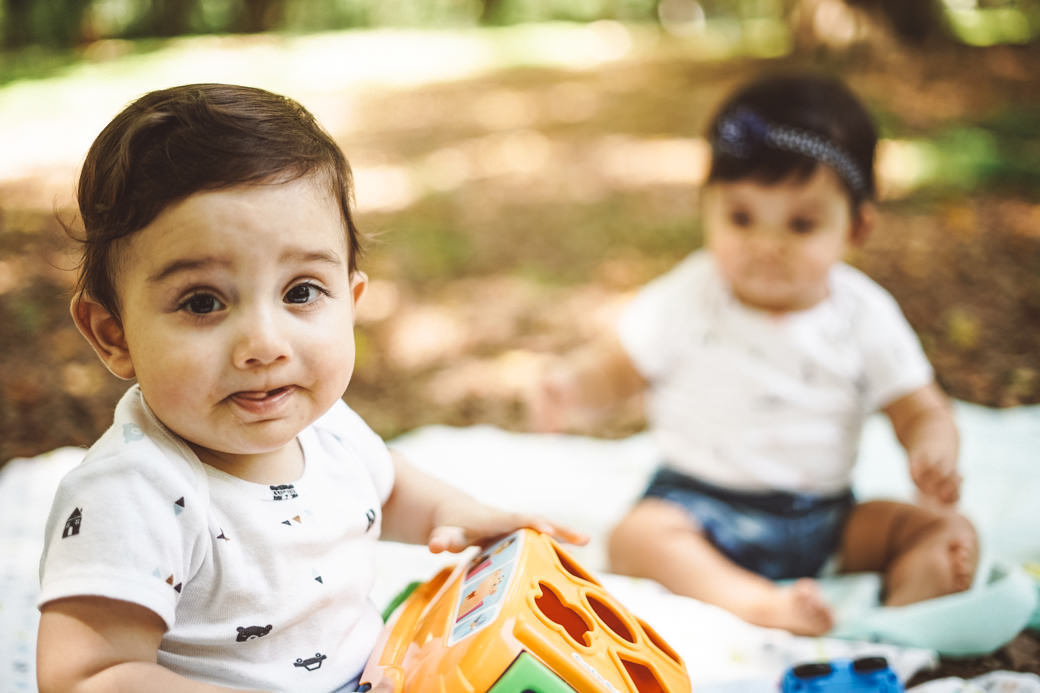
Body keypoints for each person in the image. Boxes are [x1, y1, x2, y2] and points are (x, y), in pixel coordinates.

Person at [37, 83, 585, 693]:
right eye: (202, 302)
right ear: (114, 335)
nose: (264, 344)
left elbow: (387, 483)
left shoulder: (325, 429)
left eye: (301, 292)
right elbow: (86, 675)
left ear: (349, 304)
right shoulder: (135, 492)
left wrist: (453, 511)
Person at [530, 72, 977, 636]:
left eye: (801, 224)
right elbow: (618, 366)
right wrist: (570, 388)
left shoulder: (863, 314)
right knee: (636, 537)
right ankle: (758, 604)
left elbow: (919, 408)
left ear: (857, 226)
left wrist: (933, 447)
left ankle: (898, 627)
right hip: (699, 508)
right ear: (706, 209)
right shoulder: (690, 296)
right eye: (741, 218)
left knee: (946, 530)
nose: (766, 246)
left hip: (824, 518)